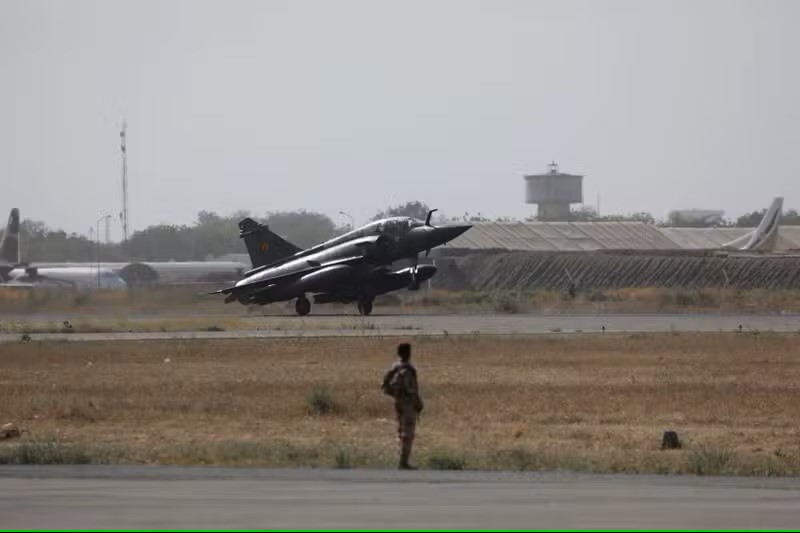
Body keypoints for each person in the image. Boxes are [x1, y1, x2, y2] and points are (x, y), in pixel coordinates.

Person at [382, 342, 424, 470]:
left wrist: (396, 395)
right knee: (408, 433)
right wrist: (418, 403)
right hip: (408, 404)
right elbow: (412, 389)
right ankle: (403, 462)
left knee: (401, 431)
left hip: (398, 402)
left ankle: (402, 460)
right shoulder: (408, 369)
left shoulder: (394, 367)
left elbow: (384, 386)